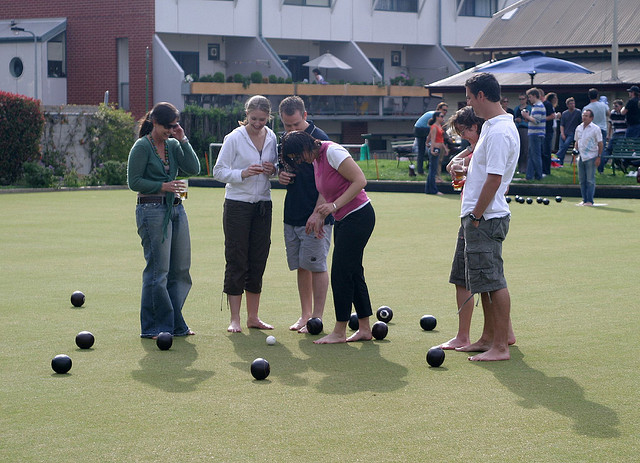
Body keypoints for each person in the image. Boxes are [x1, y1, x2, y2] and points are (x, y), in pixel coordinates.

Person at [280, 131, 375, 344]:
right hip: (345, 218)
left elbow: (360, 180)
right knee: (353, 272)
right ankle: (365, 328)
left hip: (359, 216)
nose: (299, 160)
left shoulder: (332, 151)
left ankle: (340, 331)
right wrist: (320, 214)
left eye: (297, 156)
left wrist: (334, 206)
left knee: (341, 272)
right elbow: (326, 189)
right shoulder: (316, 159)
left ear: (306, 146)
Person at [452, 72, 519, 362]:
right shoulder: (492, 126)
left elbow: (494, 179)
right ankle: (488, 339)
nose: (468, 103)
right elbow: (485, 173)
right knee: (482, 281)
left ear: (481, 95)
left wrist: (477, 215)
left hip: (486, 216)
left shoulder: (501, 130)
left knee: (493, 281)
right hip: (478, 215)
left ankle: (500, 347)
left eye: (469, 97)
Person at [127, 102, 200, 339]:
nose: (171, 130)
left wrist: (183, 139)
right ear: (155, 122)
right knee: (159, 272)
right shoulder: (141, 146)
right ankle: (154, 327)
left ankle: (174, 323)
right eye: (168, 127)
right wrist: (162, 186)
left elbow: (193, 168)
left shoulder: (172, 144)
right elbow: (134, 182)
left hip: (177, 209)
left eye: (175, 126)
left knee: (181, 270)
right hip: (151, 210)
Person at [213, 95, 278, 332]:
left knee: (258, 259)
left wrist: (273, 169)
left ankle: (253, 317)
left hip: (263, 205)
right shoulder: (233, 138)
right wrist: (242, 173)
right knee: (237, 258)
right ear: (246, 114)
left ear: (268, 117)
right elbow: (218, 172)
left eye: (263, 119)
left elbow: (276, 169)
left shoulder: (271, 137)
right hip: (237, 205)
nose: (258, 124)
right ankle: (235, 319)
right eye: (253, 119)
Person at [277, 96, 333, 333]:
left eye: (295, 125)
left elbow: (330, 184)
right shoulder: (285, 140)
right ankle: (304, 315)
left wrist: (318, 214)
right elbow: (284, 168)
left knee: (317, 265)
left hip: (317, 214)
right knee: (302, 265)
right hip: (293, 212)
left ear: (305, 116)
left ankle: (316, 318)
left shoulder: (321, 140)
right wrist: (280, 177)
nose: (290, 130)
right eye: (286, 125)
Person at [574, 109, 603, 207]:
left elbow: (600, 143)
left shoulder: (596, 129)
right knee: (582, 179)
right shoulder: (578, 128)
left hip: (591, 156)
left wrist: (599, 156)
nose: (584, 117)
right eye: (583, 115)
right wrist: (575, 149)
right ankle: (584, 199)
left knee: (590, 180)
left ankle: (590, 200)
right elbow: (577, 141)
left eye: (586, 116)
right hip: (581, 156)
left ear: (591, 118)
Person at [414, 102, 448, 175]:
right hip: (420, 129)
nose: (445, 112)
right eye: (443, 110)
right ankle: (423, 170)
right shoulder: (435, 115)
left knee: (422, 151)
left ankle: (422, 170)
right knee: (421, 151)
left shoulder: (436, 115)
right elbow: (439, 129)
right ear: (438, 109)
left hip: (420, 128)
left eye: (446, 110)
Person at [521, 88, 545, 180]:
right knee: (531, 156)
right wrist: (528, 118)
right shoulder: (536, 106)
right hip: (534, 133)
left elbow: (537, 120)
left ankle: (539, 176)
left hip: (536, 134)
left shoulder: (538, 106)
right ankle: (529, 176)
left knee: (536, 156)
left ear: (535, 96)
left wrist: (527, 117)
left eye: (530, 97)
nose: (529, 99)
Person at [425, 111, 447, 195]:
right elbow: (433, 139)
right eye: (441, 116)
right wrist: (431, 149)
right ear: (437, 117)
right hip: (435, 148)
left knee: (433, 169)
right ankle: (433, 190)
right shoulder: (434, 127)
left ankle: (429, 189)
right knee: (433, 170)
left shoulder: (439, 126)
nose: (442, 118)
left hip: (439, 147)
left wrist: (445, 148)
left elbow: (439, 139)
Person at [555, 97, 582, 166]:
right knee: (562, 146)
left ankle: (557, 156)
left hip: (573, 133)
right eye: (570, 104)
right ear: (567, 105)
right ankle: (560, 162)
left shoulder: (578, 112)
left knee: (566, 144)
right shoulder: (564, 113)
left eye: (573, 103)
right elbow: (562, 125)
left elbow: (580, 124)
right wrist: (562, 133)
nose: (572, 105)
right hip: (565, 132)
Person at [604, 99, 627, 171]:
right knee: (609, 148)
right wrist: (609, 134)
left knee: (618, 149)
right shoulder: (613, 113)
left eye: (616, 106)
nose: (615, 108)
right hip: (615, 133)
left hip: (623, 133)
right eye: (614, 106)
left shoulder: (625, 114)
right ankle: (603, 163)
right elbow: (610, 124)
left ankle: (620, 164)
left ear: (621, 106)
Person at [583, 88, 609, 154]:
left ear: (589, 96)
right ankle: (601, 163)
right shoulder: (603, 105)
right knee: (601, 148)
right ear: (597, 95)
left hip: (591, 129)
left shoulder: (586, 108)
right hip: (602, 128)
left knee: (592, 148)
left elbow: (584, 120)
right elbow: (608, 114)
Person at [542, 92, 560, 175]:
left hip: (550, 129)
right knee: (546, 150)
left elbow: (552, 116)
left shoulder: (549, 106)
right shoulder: (548, 105)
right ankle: (545, 170)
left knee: (547, 150)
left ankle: (546, 170)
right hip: (548, 129)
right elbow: (552, 116)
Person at [513, 93, 530, 174]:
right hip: (518, 129)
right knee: (519, 149)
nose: (521, 101)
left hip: (526, 129)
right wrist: (517, 120)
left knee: (525, 149)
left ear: (526, 99)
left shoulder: (529, 108)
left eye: (523, 99)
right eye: (520, 99)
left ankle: (525, 168)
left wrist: (523, 120)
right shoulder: (517, 108)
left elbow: (529, 119)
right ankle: (520, 168)